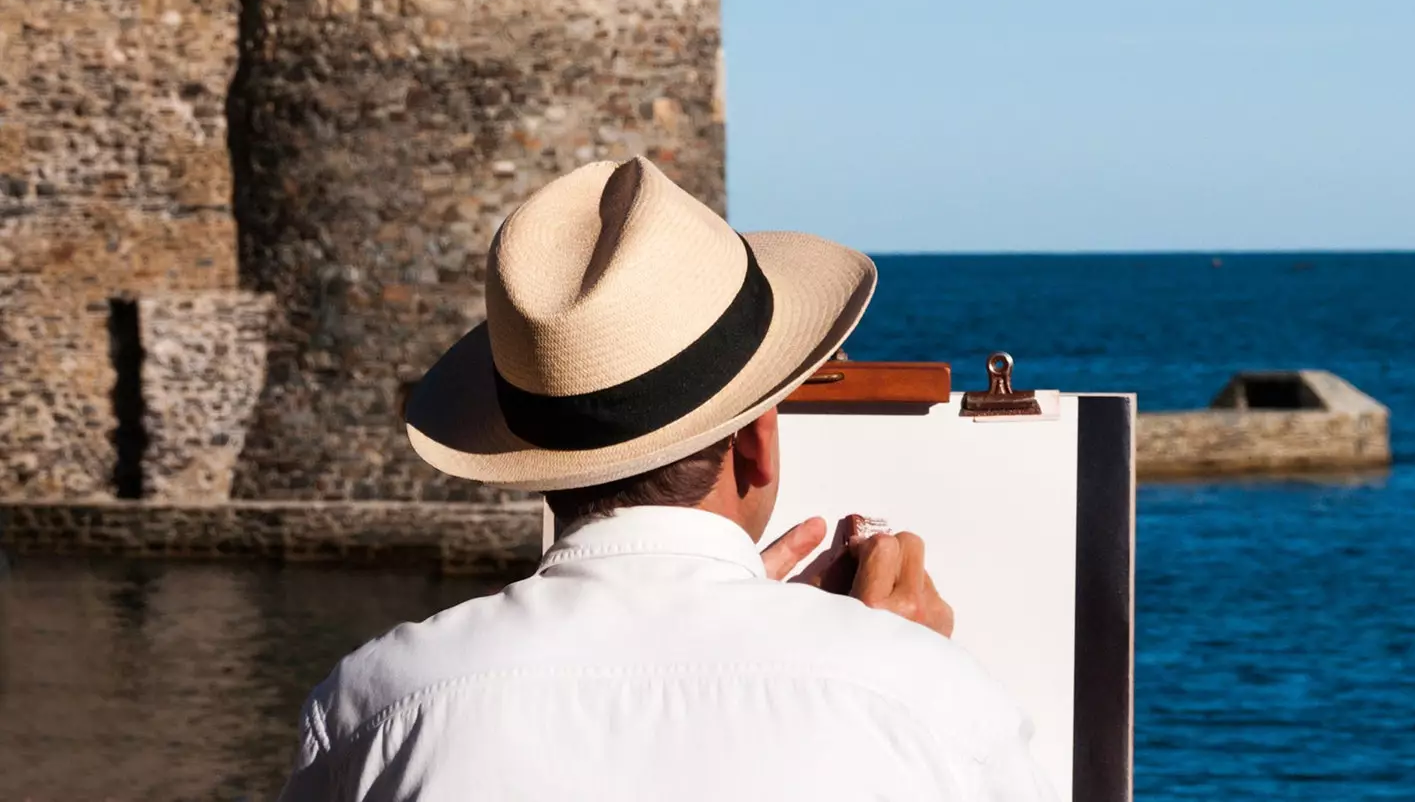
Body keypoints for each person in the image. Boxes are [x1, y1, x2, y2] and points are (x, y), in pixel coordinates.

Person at [280, 156, 1056, 799]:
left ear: (535, 458)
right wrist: (899, 666)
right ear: (759, 439)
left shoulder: (373, 710)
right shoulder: (930, 704)